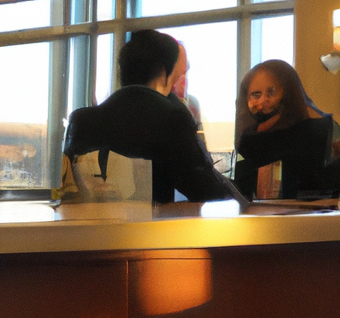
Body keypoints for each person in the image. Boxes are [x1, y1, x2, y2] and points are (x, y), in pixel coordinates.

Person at [64, 29, 235, 204]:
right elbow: (203, 189)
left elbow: (68, 191)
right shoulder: (172, 119)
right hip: (149, 229)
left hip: (87, 228)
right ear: (164, 73)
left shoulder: (81, 120)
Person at [234, 59, 340, 198]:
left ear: (287, 93)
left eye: (271, 92)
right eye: (256, 94)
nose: (262, 101)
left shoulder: (312, 131)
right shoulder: (248, 139)